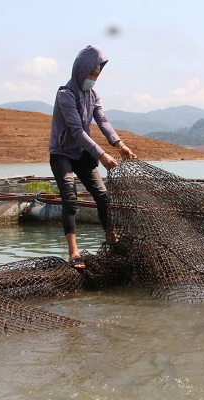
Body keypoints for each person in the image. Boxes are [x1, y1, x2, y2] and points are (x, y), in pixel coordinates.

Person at [48, 44, 136, 269]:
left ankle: (112, 240)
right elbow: (77, 131)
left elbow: (102, 121)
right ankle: (74, 252)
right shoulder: (65, 95)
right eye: (90, 74)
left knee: (103, 197)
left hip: (82, 153)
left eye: (96, 75)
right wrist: (103, 155)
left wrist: (119, 144)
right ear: (80, 70)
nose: (93, 79)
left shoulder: (93, 94)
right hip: (62, 154)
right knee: (70, 198)